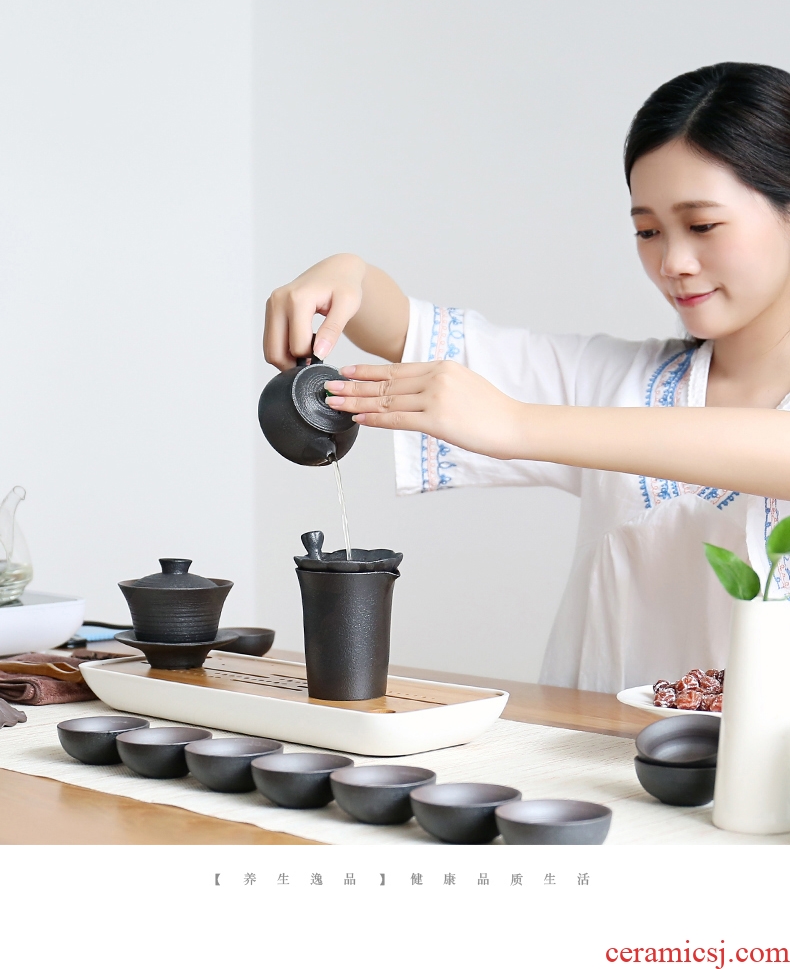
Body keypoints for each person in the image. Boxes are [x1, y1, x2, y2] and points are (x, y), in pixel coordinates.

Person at [264, 62, 790, 694]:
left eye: (702, 225)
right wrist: (351, 274)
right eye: (648, 231)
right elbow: (409, 332)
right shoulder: (621, 383)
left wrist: (518, 424)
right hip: (596, 751)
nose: (672, 262)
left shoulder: (587, 410)